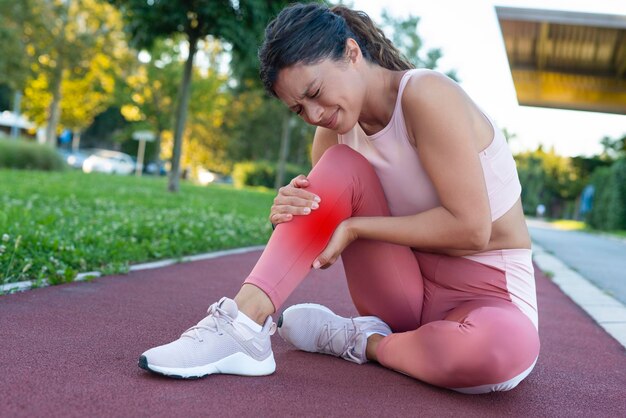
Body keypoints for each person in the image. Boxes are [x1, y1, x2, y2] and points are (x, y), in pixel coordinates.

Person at [139, 3, 540, 394]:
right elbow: (320, 235)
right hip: (401, 291)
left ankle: (360, 341)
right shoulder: (333, 133)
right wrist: (290, 208)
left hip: (489, 296)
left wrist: (354, 225)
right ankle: (242, 326)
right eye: (299, 108)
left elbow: (471, 230)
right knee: (337, 164)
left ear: (351, 53)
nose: (314, 114)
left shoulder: (426, 94)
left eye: (315, 92)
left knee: (498, 357)